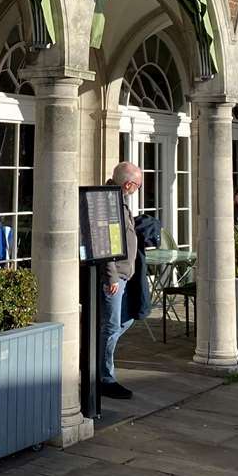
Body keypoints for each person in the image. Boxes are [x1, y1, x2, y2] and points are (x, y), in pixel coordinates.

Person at [99, 161, 142, 400]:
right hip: (115, 277)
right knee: (111, 326)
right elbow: (106, 241)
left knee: (126, 319)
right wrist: (112, 276)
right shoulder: (110, 201)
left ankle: (100, 364)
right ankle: (105, 376)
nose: (137, 189)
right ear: (128, 184)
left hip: (125, 274)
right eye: (137, 185)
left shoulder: (119, 199)